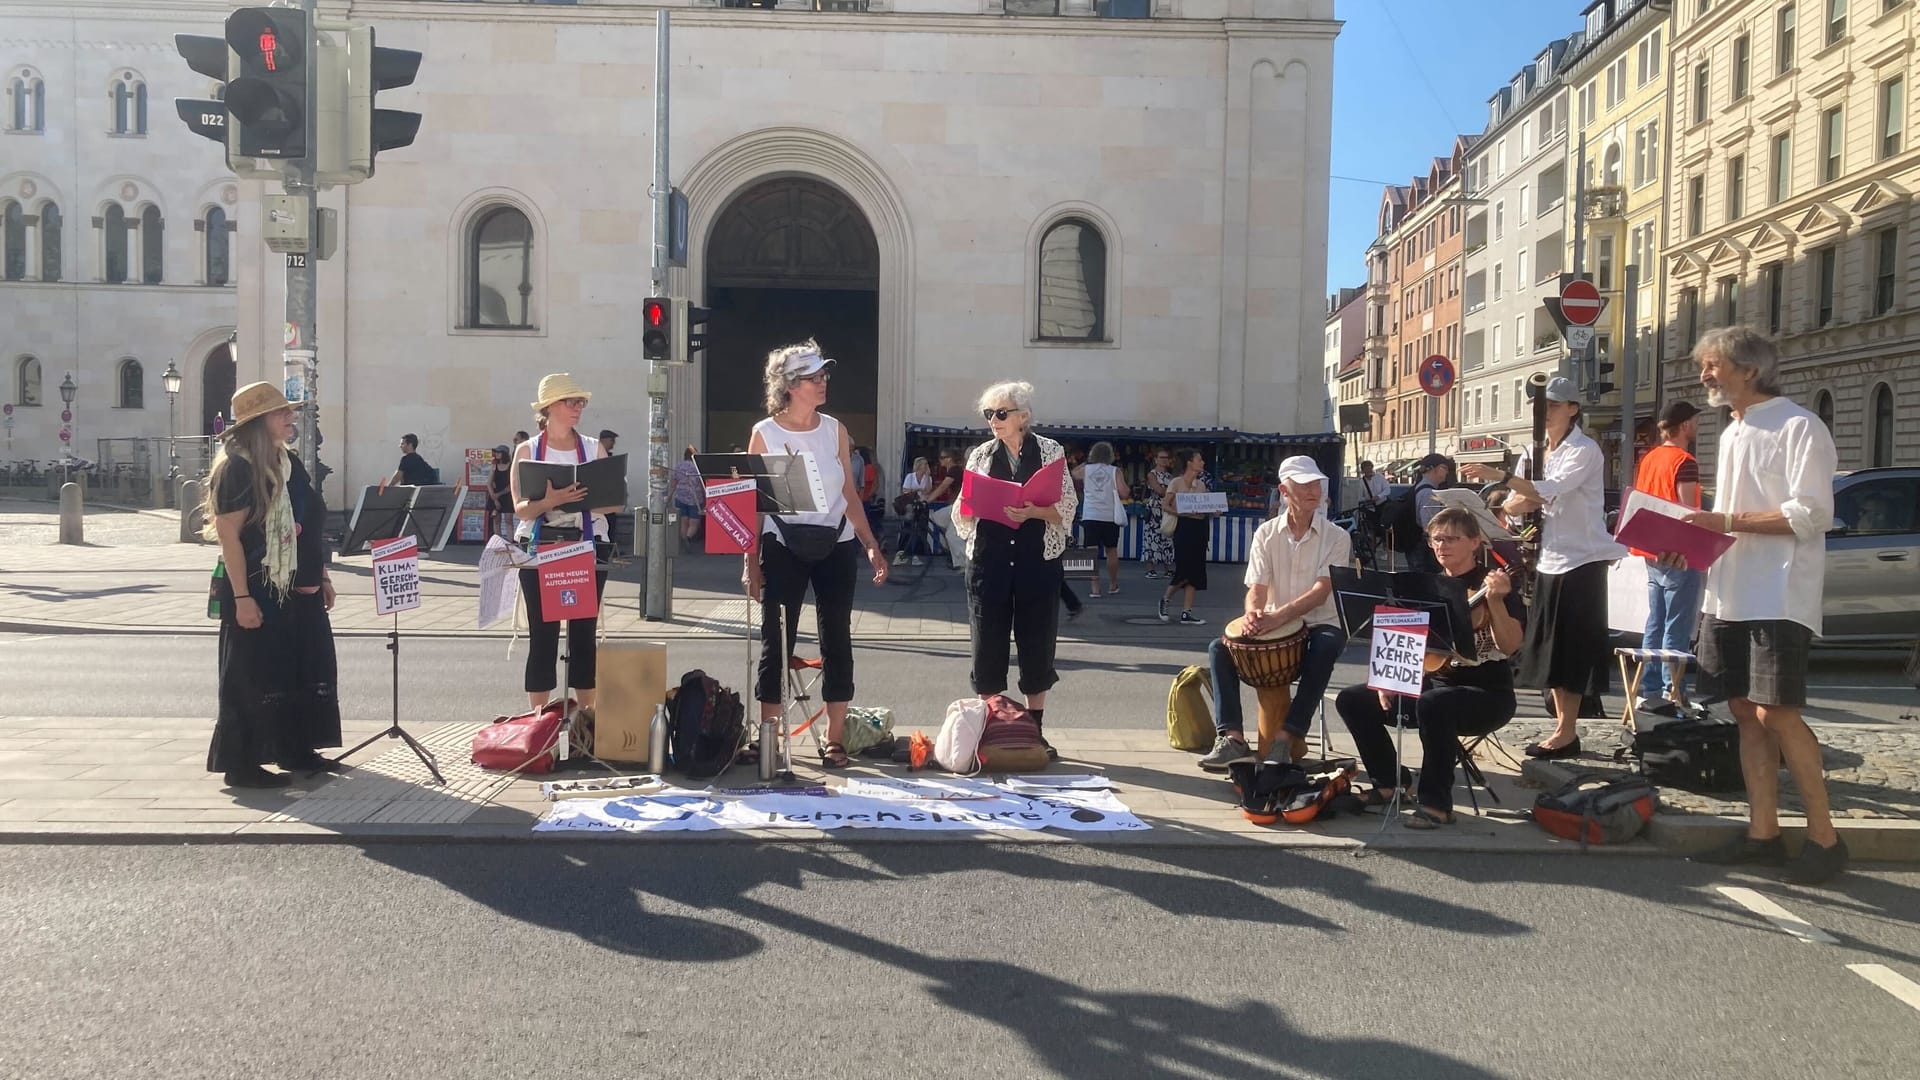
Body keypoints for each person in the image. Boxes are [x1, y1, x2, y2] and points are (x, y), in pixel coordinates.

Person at [1671, 327, 1846, 883]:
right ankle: (1762, 834)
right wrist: (1694, 545)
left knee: (1777, 712)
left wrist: (1723, 523)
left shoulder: (1800, 426)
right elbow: (1727, 516)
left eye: (1713, 365)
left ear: (1749, 369)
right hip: (1730, 589)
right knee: (1744, 712)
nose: (1704, 376)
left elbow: (1811, 514)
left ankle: (1825, 838)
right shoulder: (1731, 433)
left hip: (1779, 591)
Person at [743, 341, 890, 769]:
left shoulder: (834, 429)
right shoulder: (765, 432)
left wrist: (870, 544)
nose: (823, 382)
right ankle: (769, 736)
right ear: (790, 385)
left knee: (837, 637)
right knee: (777, 638)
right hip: (782, 541)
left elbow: (848, 491)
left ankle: (834, 738)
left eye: (824, 375)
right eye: (814, 377)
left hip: (837, 541)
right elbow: (755, 502)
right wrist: (751, 563)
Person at [1463, 377, 1625, 759]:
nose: (1544, 412)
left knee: (1571, 648)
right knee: (1549, 647)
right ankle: (1561, 728)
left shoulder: (1584, 449)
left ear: (1572, 408)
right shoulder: (1534, 452)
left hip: (1581, 559)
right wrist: (1513, 500)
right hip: (1548, 559)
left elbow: (1548, 489)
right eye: (1540, 406)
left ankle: (1567, 731)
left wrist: (1502, 478)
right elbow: (1522, 501)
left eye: (1552, 405)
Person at [1335, 507, 1526, 828]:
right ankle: (1389, 781)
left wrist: (1495, 601)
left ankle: (1437, 804)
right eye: (1436, 539)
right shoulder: (1427, 587)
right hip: (1431, 689)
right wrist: (1388, 678)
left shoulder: (1495, 586)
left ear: (1475, 542)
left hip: (1487, 693)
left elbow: (1510, 646)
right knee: (1352, 700)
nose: (1442, 546)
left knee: (1434, 704)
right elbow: (1401, 638)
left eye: (1452, 538)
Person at [202, 382, 341, 789]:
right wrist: (242, 598)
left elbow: (308, 521)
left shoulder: (287, 461)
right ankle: (241, 763)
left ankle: (295, 749)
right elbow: (230, 537)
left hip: (298, 586)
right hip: (258, 587)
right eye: (282, 412)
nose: (290, 417)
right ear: (258, 422)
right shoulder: (238, 468)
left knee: (299, 669)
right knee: (254, 674)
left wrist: (322, 575)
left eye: (289, 411)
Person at [1198, 455, 1352, 770]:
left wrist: (1275, 618)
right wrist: (1253, 613)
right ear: (1284, 490)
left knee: (1324, 647)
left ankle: (1287, 737)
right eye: (1304, 484)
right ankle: (1232, 736)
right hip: (1274, 621)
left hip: (1321, 621)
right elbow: (1256, 586)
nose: (1314, 490)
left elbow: (1322, 591)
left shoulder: (1338, 536)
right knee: (1219, 648)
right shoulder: (1266, 533)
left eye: (1317, 484)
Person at [953, 381, 1078, 754]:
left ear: (1023, 416)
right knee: (987, 644)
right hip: (988, 563)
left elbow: (1067, 509)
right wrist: (973, 504)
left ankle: (1034, 732)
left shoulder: (1049, 451)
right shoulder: (981, 454)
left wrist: (1032, 512)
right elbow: (963, 508)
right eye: (989, 414)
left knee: (1036, 642)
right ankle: (993, 728)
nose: (994, 420)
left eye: (1002, 413)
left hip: (1035, 562)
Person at [511, 374, 622, 712]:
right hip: (540, 546)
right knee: (542, 636)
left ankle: (587, 721)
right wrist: (550, 502)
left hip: (586, 544)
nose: (578, 408)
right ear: (549, 408)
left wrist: (570, 502)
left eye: (581, 403)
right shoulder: (528, 449)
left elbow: (615, 502)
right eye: (571, 402)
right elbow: (520, 507)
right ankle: (538, 723)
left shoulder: (592, 447)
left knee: (583, 637)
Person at [1628, 399, 1704, 716]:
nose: (1697, 426)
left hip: (1651, 549)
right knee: (1677, 624)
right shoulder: (1685, 461)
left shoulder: (1650, 458)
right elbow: (1689, 514)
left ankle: (1649, 691)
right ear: (1685, 425)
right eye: (1695, 421)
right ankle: (1674, 692)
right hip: (1679, 553)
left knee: (1655, 622)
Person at [1159, 448, 1221, 624]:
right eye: (1199, 460)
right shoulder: (1176, 483)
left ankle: (1187, 611)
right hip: (1183, 527)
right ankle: (1165, 598)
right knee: (1184, 569)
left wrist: (1214, 510)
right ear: (1189, 463)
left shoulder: (1201, 485)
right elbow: (1165, 505)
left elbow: (1207, 506)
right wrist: (1181, 512)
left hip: (1199, 528)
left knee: (1196, 571)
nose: (1202, 463)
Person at [1074, 441, 1131, 597]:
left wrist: (1087, 462)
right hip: (1109, 516)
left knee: (1091, 551)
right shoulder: (1115, 471)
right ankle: (1112, 585)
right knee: (1111, 550)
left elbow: (1073, 473)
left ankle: (1095, 589)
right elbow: (1124, 493)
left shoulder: (1086, 470)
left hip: (1091, 515)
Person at [1393, 453, 1451, 572]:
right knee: (1425, 584)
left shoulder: (1418, 488)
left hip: (1413, 545)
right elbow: (1430, 525)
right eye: (1445, 468)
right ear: (1437, 469)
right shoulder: (1429, 493)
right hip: (1422, 550)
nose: (1447, 472)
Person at [1140, 448, 1178, 579]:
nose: (1164, 460)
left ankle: (1168, 568)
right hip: (1154, 509)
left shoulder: (1170, 477)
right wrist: (1170, 492)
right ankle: (1151, 568)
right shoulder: (1152, 475)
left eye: (1166, 458)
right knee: (1152, 538)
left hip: (1166, 509)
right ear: (1156, 460)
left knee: (1167, 537)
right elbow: (1159, 490)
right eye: (1162, 458)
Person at [894, 456, 935, 566]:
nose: (926, 467)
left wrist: (927, 476)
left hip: (922, 505)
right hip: (910, 505)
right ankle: (901, 553)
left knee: (921, 530)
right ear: (919, 466)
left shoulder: (928, 478)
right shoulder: (910, 477)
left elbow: (928, 491)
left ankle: (916, 555)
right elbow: (905, 490)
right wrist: (915, 490)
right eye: (924, 465)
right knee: (908, 528)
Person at [670, 445, 705, 548]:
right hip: (695, 498)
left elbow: (674, 481)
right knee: (694, 522)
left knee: (683, 520)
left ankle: (684, 538)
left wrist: (670, 495)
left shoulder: (679, 466)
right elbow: (702, 482)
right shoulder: (698, 467)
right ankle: (689, 538)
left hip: (680, 496)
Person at [486, 444, 513, 538]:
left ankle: (510, 543)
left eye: (499, 452)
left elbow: (513, 484)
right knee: (496, 520)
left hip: (507, 494)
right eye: (496, 452)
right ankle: (498, 542)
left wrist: (499, 494)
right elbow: (489, 483)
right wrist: (494, 497)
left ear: (504, 454)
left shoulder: (511, 466)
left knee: (508, 520)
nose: (497, 454)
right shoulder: (494, 465)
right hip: (495, 494)